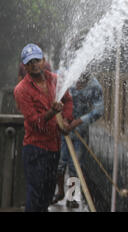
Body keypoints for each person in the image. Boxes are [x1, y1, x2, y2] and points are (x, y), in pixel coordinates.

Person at [14, 43, 74, 212]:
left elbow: (68, 100)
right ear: (24, 66)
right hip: (35, 149)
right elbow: (34, 122)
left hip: (54, 146)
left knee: (48, 193)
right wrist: (52, 113)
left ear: (44, 61)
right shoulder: (21, 90)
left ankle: (69, 200)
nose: (34, 65)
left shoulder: (55, 79)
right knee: (35, 194)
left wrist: (67, 120)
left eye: (37, 60)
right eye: (29, 62)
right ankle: (69, 200)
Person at [52, 71, 104, 208]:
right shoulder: (66, 79)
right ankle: (60, 191)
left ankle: (72, 197)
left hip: (80, 132)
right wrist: (63, 119)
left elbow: (99, 111)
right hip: (62, 128)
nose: (80, 83)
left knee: (75, 165)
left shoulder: (95, 87)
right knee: (60, 163)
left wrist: (79, 121)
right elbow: (56, 99)